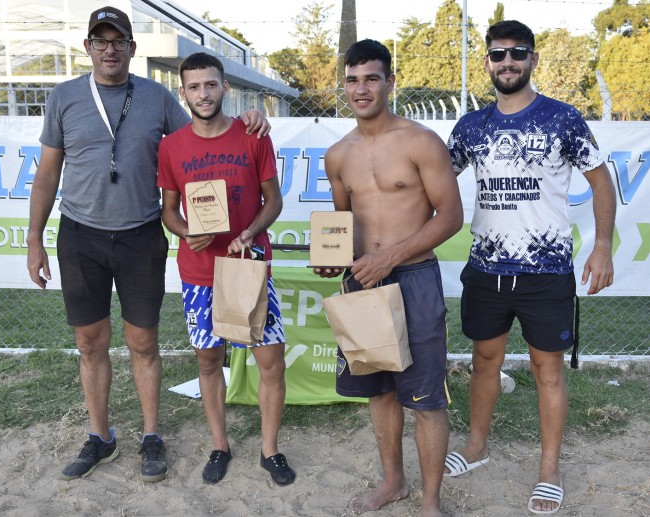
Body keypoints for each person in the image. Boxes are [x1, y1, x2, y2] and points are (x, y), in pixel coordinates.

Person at [26, 6, 270, 483]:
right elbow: (46, 175)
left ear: (133, 48)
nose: (110, 49)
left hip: (140, 234)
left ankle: (151, 436)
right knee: (89, 342)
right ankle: (101, 437)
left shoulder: (157, 97)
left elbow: (205, 130)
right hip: (80, 234)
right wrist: (35, 239)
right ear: (89, 48)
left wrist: (251, 118)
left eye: (119, 41)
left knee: (143, 342)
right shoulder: (65, 97)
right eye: (101, 41)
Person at [445, 20, 616, 514]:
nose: (508, 62)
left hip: (546, 273)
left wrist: (602, 246)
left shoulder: (562, 119)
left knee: (547, 370)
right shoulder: (471, 127)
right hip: (487, 270)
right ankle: (475, 449)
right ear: (487, 64)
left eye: (518, 53)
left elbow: (602, 185)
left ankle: (548, 470)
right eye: (498, 55)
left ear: (533, 59)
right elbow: (428, 176)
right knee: (484, 362)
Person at [315, 40, 463, 516]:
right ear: (345, 86)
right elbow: (344, 223)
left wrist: (392, 256)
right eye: (353, 80)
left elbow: (450, 217)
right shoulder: (338, 154)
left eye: (372, 78)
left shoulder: (420, 141)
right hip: (363, 283)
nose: (362, 89)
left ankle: (430, 502)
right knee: (378, 390)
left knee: (425, 397)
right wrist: (332, 257)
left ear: (390, 82)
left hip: (414, 278)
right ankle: (393, 482)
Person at [156, 52, 295, 487]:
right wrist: (184, 232)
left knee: (270, 361)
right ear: (184, 93)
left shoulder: (252, 135)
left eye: (210, 85)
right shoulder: (171, 145)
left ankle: (270, 450)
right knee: (209, 360)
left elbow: (273, 201)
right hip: (199, 272)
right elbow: (169, 211)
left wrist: (252, 231)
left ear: (225, 87)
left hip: (246, 268)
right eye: (194, 87)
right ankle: (220, 445)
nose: (203, 94)